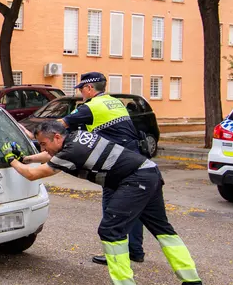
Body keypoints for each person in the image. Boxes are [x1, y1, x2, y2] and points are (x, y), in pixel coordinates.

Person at [1, 121, 209, 285]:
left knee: (111, 231)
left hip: (135, 180)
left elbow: (32, 174)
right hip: (148, 172)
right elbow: (52, 156)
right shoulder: (76, 137)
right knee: (163, 231)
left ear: (56, 137)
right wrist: (27, 158)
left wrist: (11, 160)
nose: (43, 149)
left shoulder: (71, 151)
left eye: (44, 144)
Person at [23, 72, 146, 265]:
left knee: (111, 207)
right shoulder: (114, 102)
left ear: (89, 88)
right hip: (135, 159)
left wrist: (32, 134)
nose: (80, 93)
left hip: (115, 163)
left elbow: (57, 128)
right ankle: (135, 251)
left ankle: (114, 253)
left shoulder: (91, 107)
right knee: (132, 206)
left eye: (81, 89)